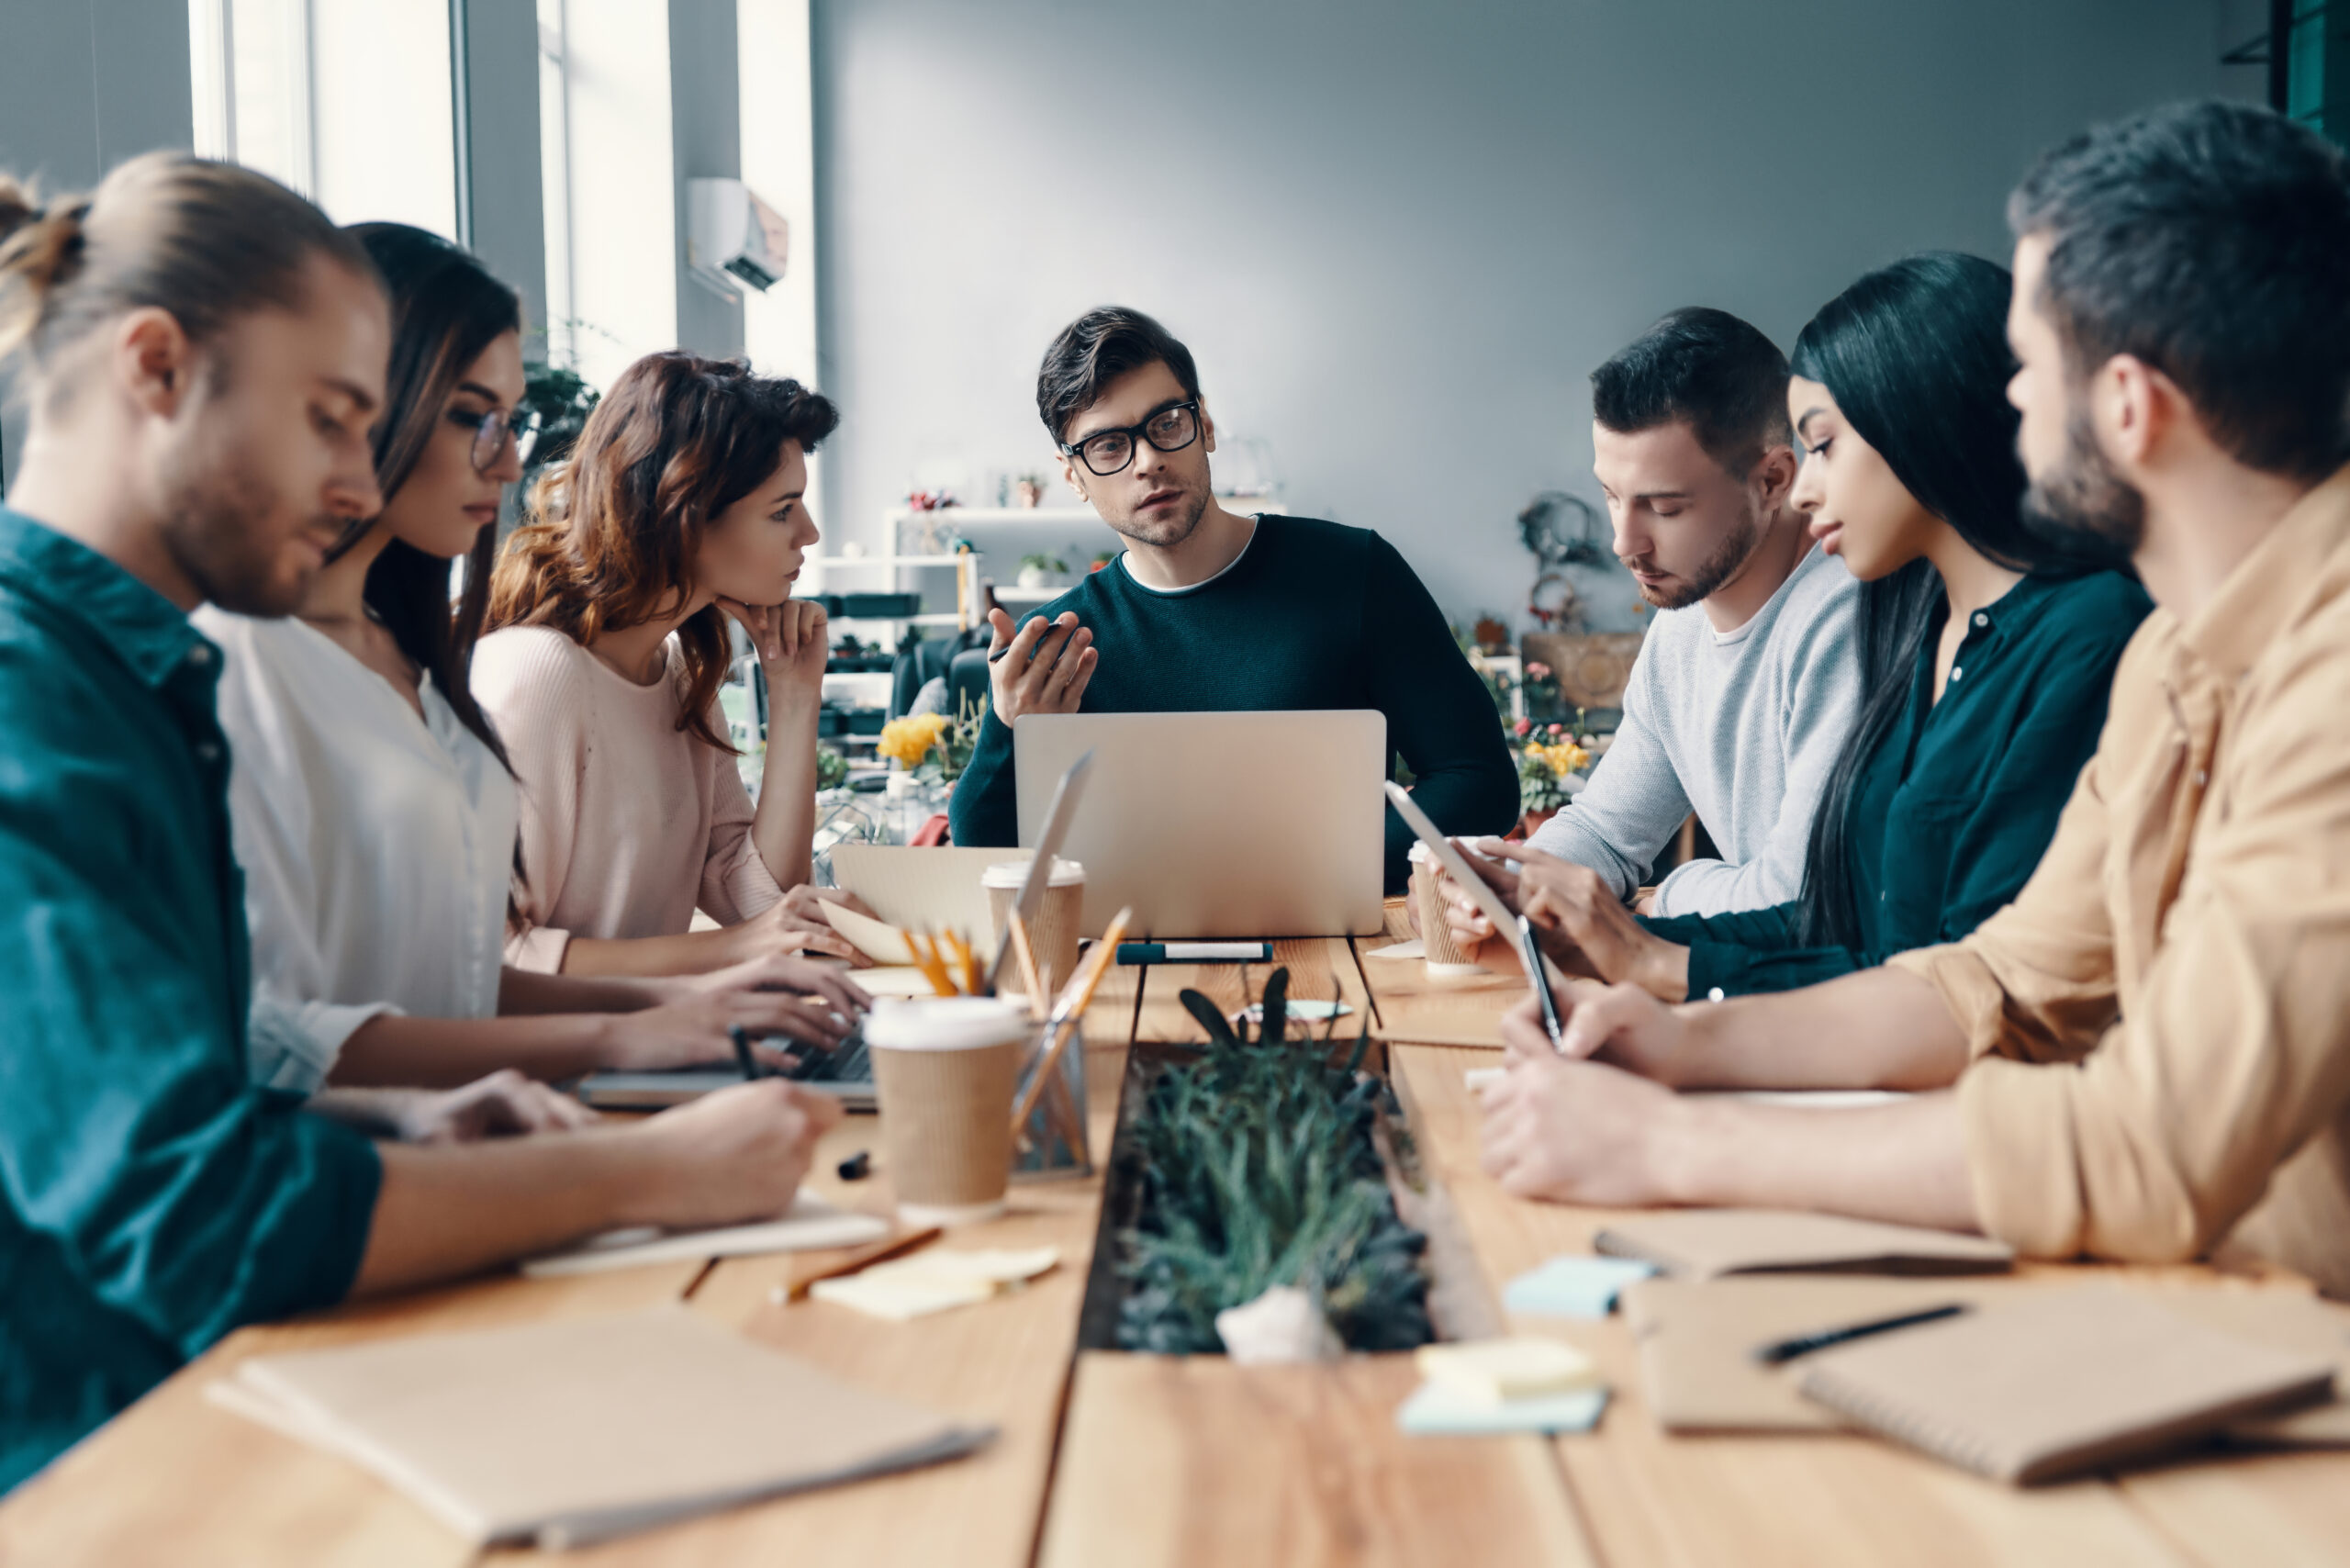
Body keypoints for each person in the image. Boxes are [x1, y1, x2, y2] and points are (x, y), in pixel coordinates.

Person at [0, 153, 839, 1492]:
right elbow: (194, 1213)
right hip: (115, 1462)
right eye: (334, 418)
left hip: (253, 1389)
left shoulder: (133, 679)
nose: (356, 475)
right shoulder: (37, 701)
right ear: (156, 373)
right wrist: (645, 1174)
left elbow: (222, 1077)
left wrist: (399, 1131)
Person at [1476, 101, 2350, 1299]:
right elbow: (1996, 984)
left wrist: (1675, 1143)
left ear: (2131, 409)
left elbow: (2154, 1148)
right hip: (2207, 1305)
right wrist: (1686, 1043)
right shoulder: (2181, 656)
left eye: (2032, 372)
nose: (2011, 408)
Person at [197, 224, 864, 1093]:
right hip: (468, 1121)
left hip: (485, 1111)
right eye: (477, 418)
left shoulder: (436, 666)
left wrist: (795, 698)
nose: (512, 460)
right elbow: (306, 1032)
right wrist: (678, 1006)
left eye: (507, 421)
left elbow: (451, 987)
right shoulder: (519, 672)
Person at [1445, 255, 2150, 1000]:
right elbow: (1885, 945)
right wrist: (1542, 898)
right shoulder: (1940, 629)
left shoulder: (1892, 613)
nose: (1625, 544)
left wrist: (1658, 915)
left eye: (1824, 447)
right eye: (1611, 499)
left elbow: (1875, 942)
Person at [946, 306, 1517, 890]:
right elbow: (983, 854)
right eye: (1108, 446)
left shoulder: (1354, 572)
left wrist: (1311, 871)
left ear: (1207, 426)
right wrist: (1008, 725)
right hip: (1132, 964)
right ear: (1073, 476)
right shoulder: (1061, 643)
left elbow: (1479, 781)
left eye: (1166, 423)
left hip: (1342, 951)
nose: (1148, 461)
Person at [476, 352, 868, 977]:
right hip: (553, 1066)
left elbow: (761, 904)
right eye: (781, 510)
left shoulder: (680, 673)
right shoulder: (539, 673)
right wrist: (738, 947)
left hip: (647, 1047)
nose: (810, 533)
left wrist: (794, 695)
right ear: (686, 517)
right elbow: (494, 956)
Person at [1496, 309, 1865, 920]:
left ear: (1773, 480)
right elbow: (1608, 830)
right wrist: (1513, 880)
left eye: (1664, 508)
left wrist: (1670, 895)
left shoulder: (1843, 620)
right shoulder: (1680, 625)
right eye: (1612, 497)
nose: (1624, 543)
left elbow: (1803, 898)